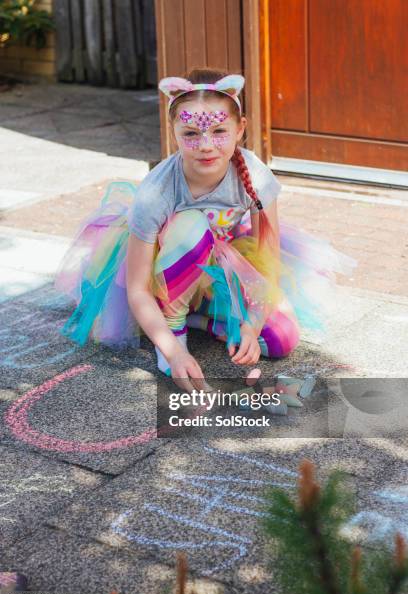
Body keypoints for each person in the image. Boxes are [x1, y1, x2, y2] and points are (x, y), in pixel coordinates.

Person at [55, 67, 355, 392]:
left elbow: (267, 260)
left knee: (280, 339)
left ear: (240, 129)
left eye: (219, 131)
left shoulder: (255, 177)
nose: (206, 145)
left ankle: (201, 319)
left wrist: (253, 328)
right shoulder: (156, 193)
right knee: (191, 225)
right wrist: (172, 349)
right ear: (174, 133)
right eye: (191, 134)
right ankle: (175, 326)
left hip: (222, 268)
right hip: (167, 273)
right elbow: (138, 289)